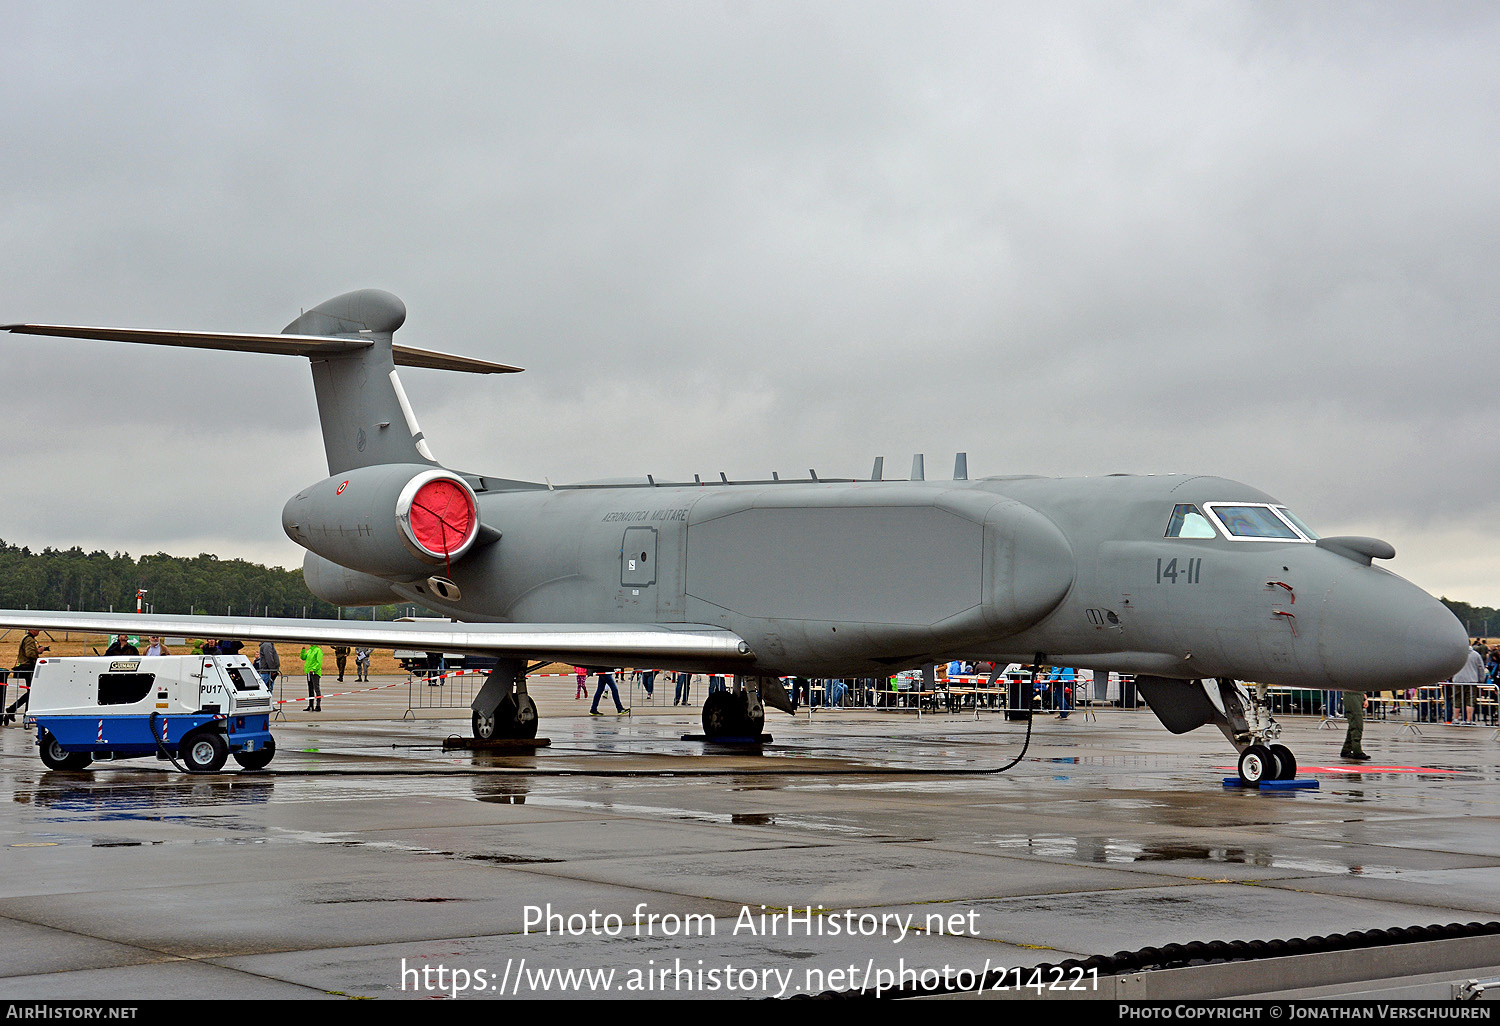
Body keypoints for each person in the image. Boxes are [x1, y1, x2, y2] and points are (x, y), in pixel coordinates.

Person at [4, 629, 47, 725]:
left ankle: (23, 713)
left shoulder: (26, 638)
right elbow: (30, 653)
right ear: (31, 629)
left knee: (31, 692)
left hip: (27, 667)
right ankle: (13, 709)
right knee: (32, 692)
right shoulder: (29, 640)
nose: (38, 632)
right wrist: (38, 651)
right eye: (37, 630)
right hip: (28, 667)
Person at [1340, 689, 1369, 761]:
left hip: (1359, 694)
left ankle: (1346, 749)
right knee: (1357, 724)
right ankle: (1357, 750)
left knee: (1354, 724)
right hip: (1352, 695)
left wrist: (1364, 697)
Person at [300, 643, 324, 712]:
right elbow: (303, 657)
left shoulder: (318, 650)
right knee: (310, 689)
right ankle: (310, 705)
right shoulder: (310, 650)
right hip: (309, 673)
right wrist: (303, 651)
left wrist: (313, 669)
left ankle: (318, 705)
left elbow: (319, 662)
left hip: (315, 673)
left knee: (316, 688)